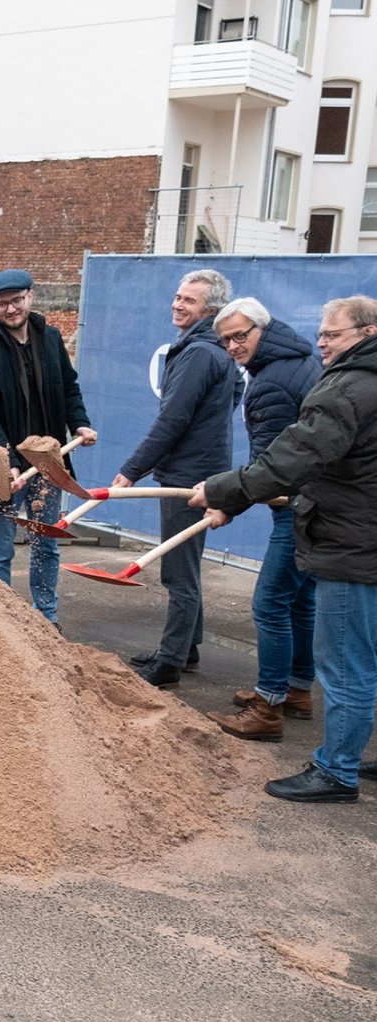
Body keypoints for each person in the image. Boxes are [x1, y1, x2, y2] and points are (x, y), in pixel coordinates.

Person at [190, 296, 377, 803]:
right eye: (320, 332)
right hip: (357, 530)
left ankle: (336, 772)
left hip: (350, 539)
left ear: (366, 332)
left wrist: (226, 491)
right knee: (360, 654)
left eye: (333, 334)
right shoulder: (344, 377)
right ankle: (307, 708)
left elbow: (295, 456)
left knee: (345, 662)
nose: (322, 342)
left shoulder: (348, 387)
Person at [113, 268, 242, 689]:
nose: (177, 303)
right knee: (187, 564)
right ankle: (186, 648)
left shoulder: (200, 353)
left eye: (188, 299)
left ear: (212, 309)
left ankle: (169, 663)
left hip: (190, 477)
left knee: (178, 573)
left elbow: (173, 419)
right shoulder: (210, 351)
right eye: (177, 296)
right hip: (201, 469)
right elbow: (227, 401)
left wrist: (132, 471)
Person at [200, 298, 319, 740]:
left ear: (262, 329)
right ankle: (297, 690)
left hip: (298, 506)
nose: (232, 346)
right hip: (317, 502)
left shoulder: (270, 382)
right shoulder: (302, 359)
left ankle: (267, 707)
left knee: (270, 604)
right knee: (300, 601)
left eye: (239, 335)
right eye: (225, 339)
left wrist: (227, 502)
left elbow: (271, 465)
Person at [0, 269, 96, 628]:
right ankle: (0, 624)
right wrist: (4, 460)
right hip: (8, 468)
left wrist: (80, 423)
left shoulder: (51, 339)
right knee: (0, 547)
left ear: (31, 297)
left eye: (16, 300)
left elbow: (70, 389)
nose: (9, 310)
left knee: (45, 545)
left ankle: (46, 619)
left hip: (50, 463)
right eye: (1, 304)